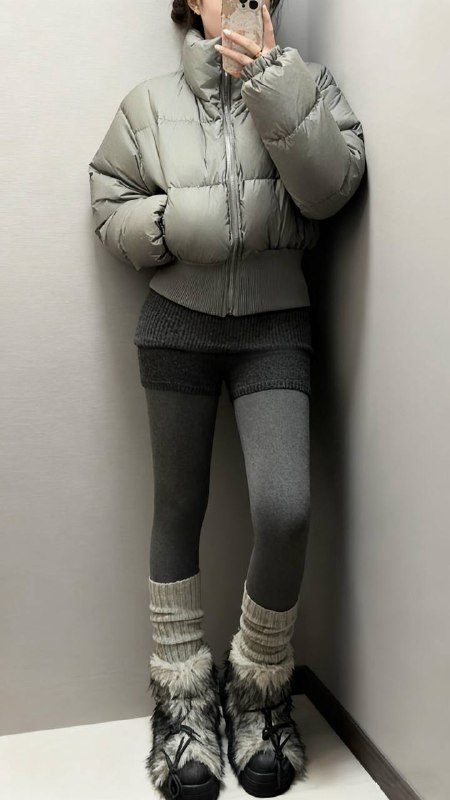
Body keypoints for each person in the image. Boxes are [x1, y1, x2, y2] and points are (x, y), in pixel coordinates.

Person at [88, 1, 366, 798]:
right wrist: (173, 223)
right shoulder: (148, 102)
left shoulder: (310, 85)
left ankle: (258, 692)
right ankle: (181, 707)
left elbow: (331, 189)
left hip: (276, 327)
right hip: (175, 323)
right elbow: (107, 200)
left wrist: (273, 81)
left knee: (285, 508)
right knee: (178, 507)